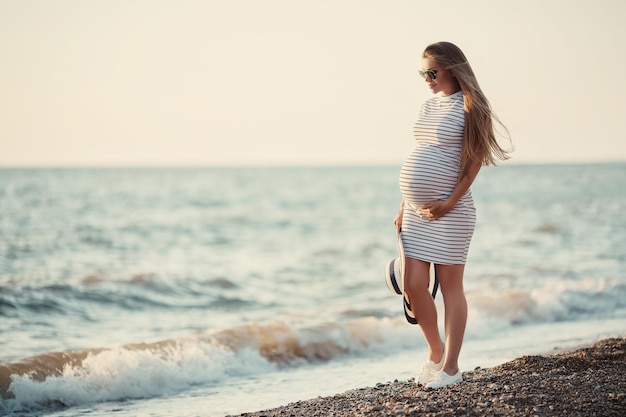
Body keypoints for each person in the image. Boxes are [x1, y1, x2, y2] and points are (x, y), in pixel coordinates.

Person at [393, 41, 511, 389]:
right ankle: (435, 352)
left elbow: (475, 162)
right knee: (413, 285)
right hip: (415, 211)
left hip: (451, 210)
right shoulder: (429, 105)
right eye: (423, 72)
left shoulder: (472, 106)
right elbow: (420, 151)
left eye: (432, 72)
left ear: (453, 70)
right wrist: (403, 202)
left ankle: (451, 368)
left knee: (449, 288)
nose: (427, 78)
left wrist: (449, 202)